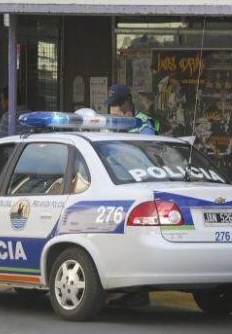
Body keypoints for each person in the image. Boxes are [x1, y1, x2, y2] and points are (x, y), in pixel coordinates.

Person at [106, 83, 158, 308]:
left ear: (126, 110)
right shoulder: (113, 125)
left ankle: (136, 292)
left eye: (115, 109)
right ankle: (126, 290)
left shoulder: (143, 125)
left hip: (140, 187)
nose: (112, 114)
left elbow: (147, 155)